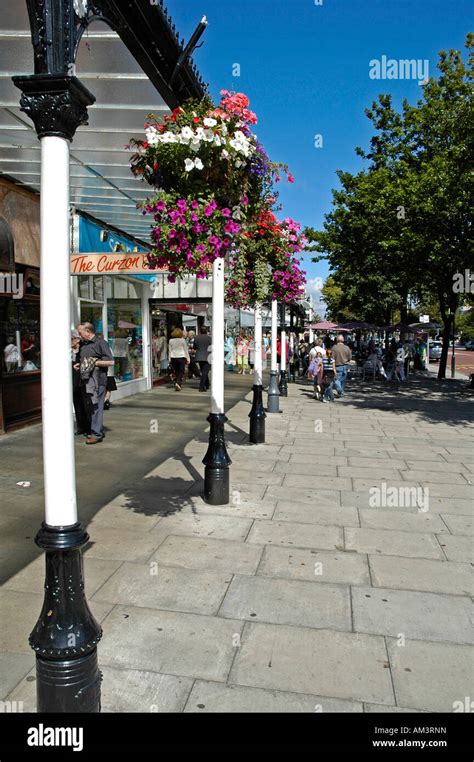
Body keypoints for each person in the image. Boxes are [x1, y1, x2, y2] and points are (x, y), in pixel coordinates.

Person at [76, 322, 114, 444]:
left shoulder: (100, 343)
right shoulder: (83, 345)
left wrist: (93, 363)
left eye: (80, 332)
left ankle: (96, 434)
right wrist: (80, 364)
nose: (79, 335)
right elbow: (84, 361)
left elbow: (111, 362)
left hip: (98, 380)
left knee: (96, 407)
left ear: (88, 331)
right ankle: (95, 430)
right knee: (89, 407)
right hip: (85, 380)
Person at [71, 331, 91, 436]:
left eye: (71, 339)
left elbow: (89, 362)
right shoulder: (68, 351)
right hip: (73, 381)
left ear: (77, 340)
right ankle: (80, 427)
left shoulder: (84, 349)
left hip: (83, 380)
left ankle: (88, 428)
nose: (70, 342)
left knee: (85, 405)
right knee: (77, 404)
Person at [194, 326, 213, 392]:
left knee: (204, 371)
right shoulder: (210, 338)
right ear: (206, 331)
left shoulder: (196, 338)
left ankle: (207, 384)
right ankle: (201, 386)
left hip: (199, 356)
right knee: (205, 372)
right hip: (208, 356)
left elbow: (194, 347)